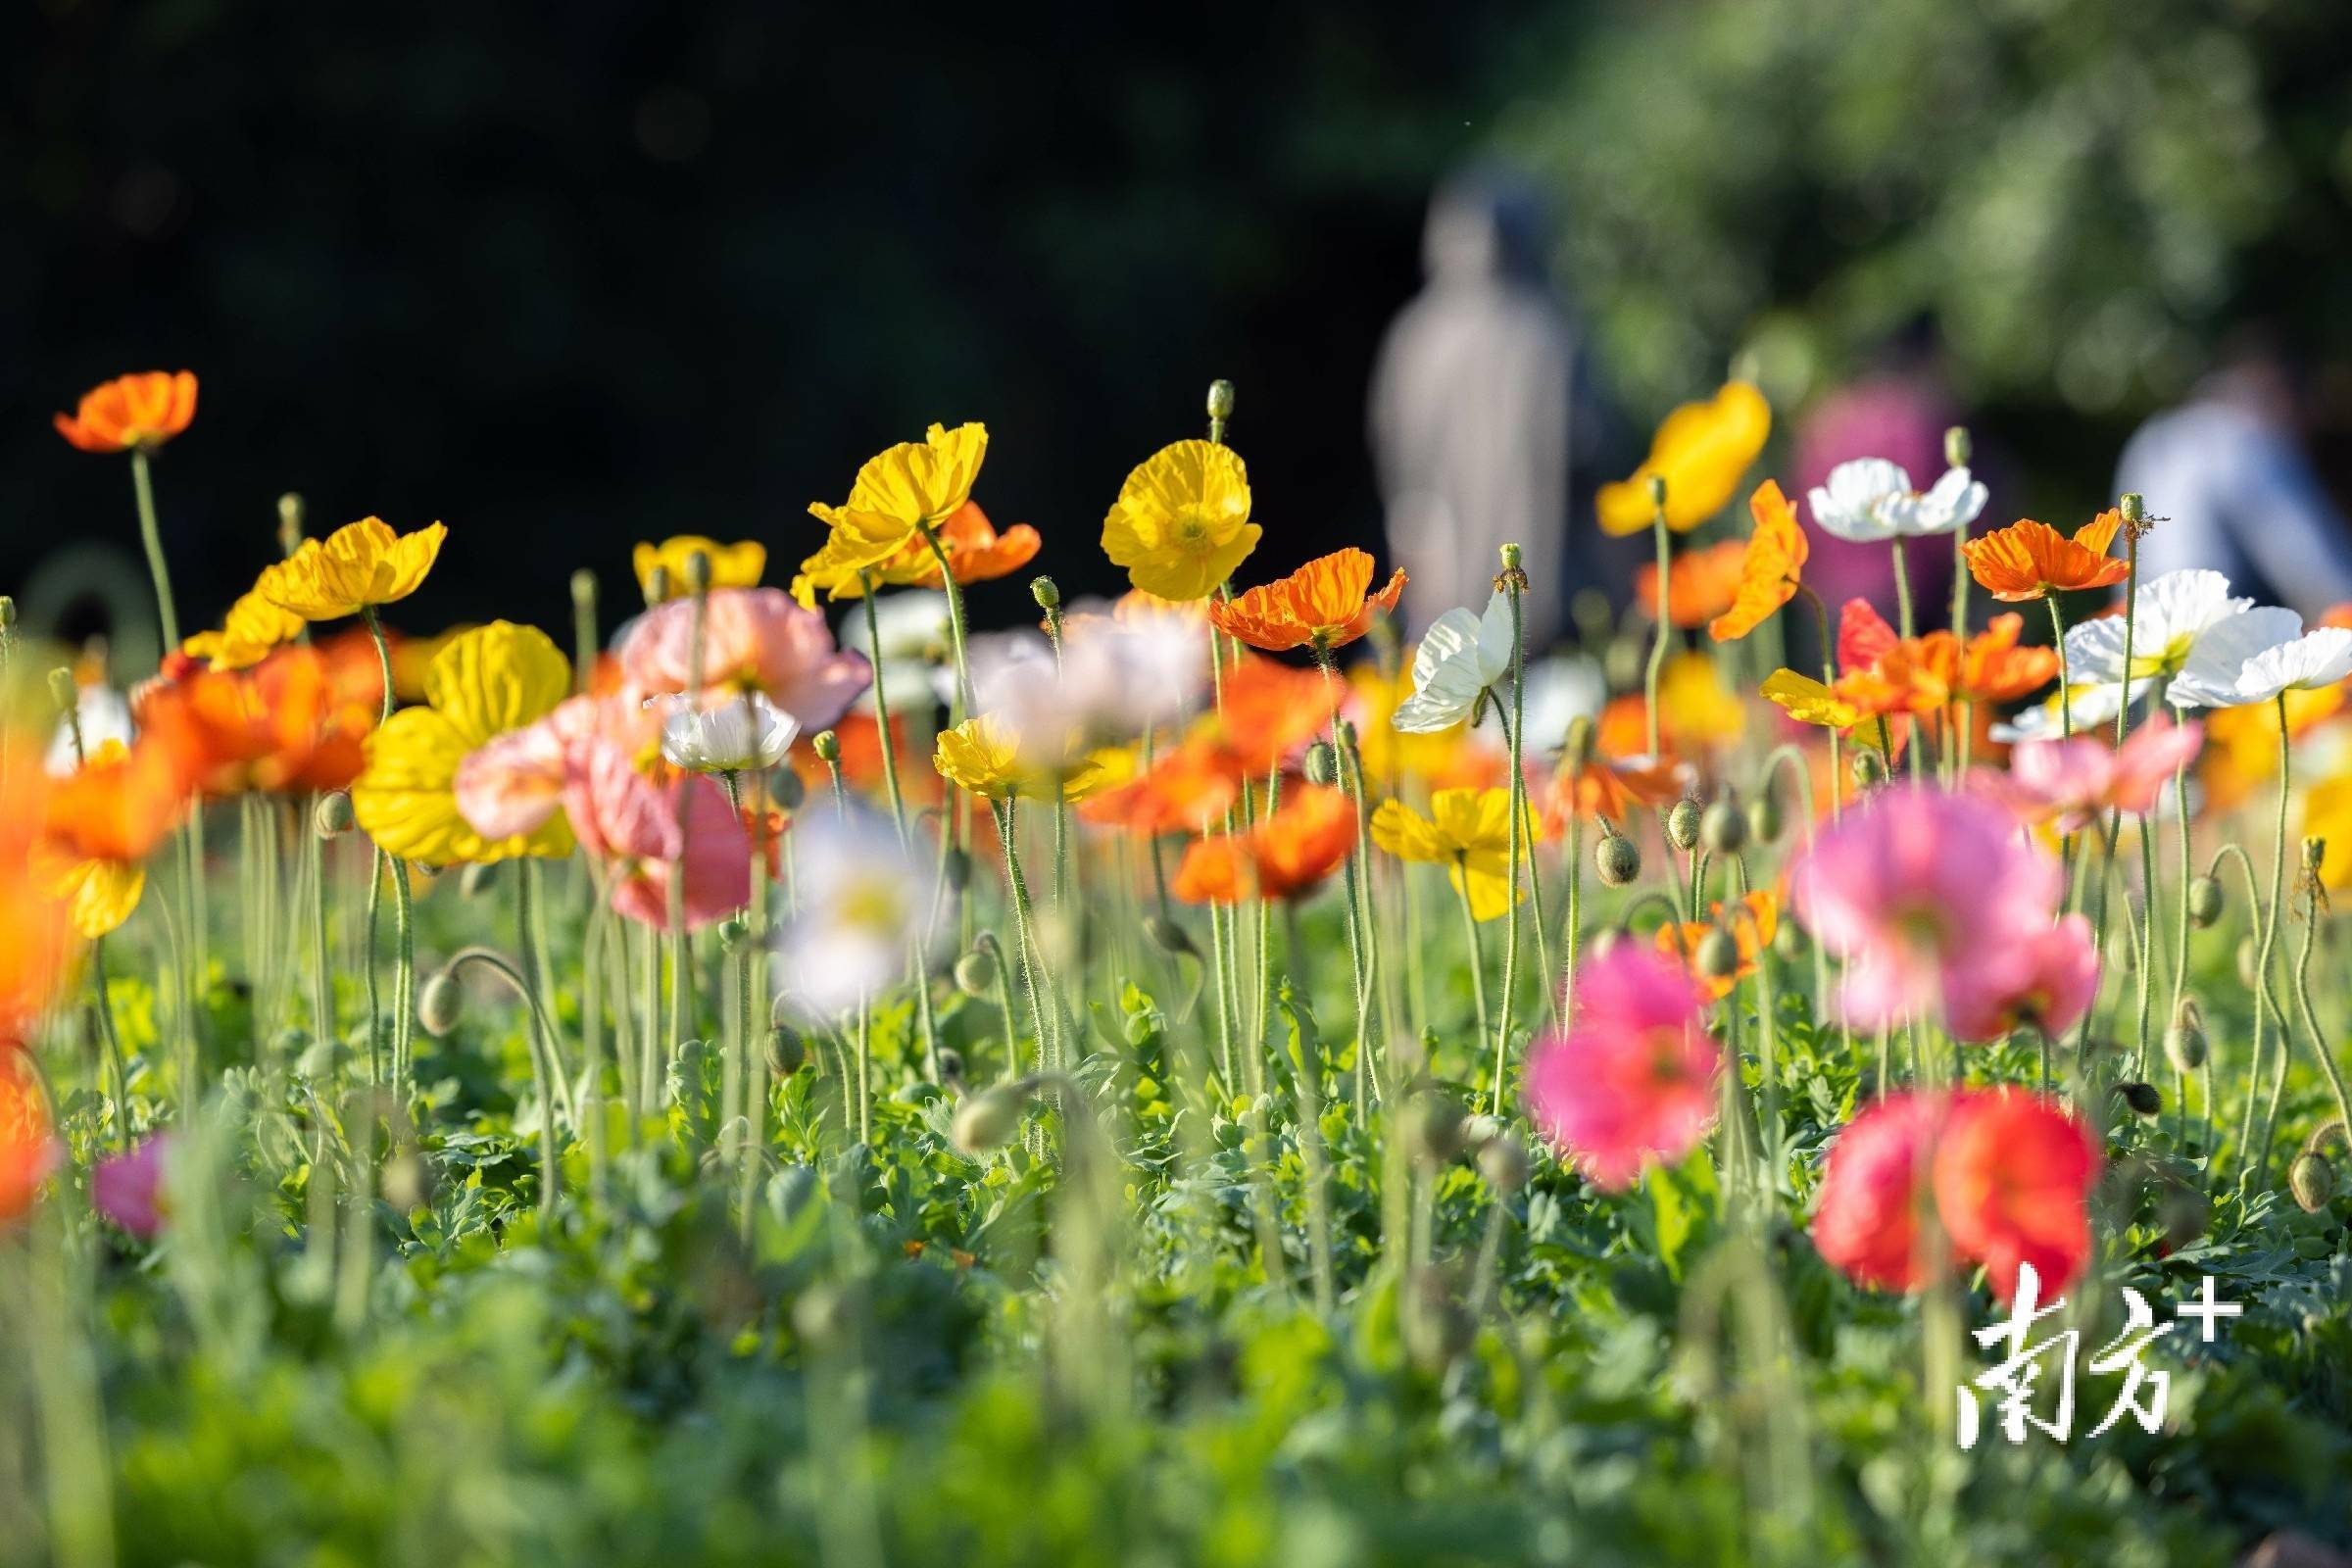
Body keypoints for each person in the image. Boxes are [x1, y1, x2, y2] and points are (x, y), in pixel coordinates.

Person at [1369, 166, 1578, 646]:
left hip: (1438, 601)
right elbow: (1593, 452)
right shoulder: (1548, 334)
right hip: (1542, 603)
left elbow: (1392, 458)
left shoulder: (1414, 337)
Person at [2116, 333, 2352, 618]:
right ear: (2282, 394)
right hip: (2216, 633)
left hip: (2138, 632)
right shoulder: (2244, 439)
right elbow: (2323, 579)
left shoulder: (2152, 436)